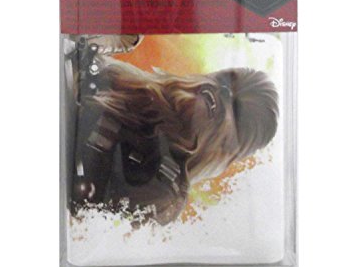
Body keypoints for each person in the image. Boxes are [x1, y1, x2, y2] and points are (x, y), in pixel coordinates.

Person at [67, 35, 279, 226]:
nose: (224, 90)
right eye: (226, 80)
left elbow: (88, 226)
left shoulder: (164, 194)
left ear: (227, 148)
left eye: (236, 106)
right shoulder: (131, 84)